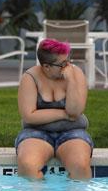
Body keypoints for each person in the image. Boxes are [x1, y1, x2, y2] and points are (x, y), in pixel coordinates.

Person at [16, 38, 93, 180]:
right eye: (62, 64)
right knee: (28, 166)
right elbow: (29, 116)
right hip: (36, 132)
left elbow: (75, 111)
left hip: (72, 131)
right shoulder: (30, 77)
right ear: (46, 66)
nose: (68, 66)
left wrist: (71, 81)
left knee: (80, 167)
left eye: (69, 60)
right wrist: (64, 114)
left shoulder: (75, 74)